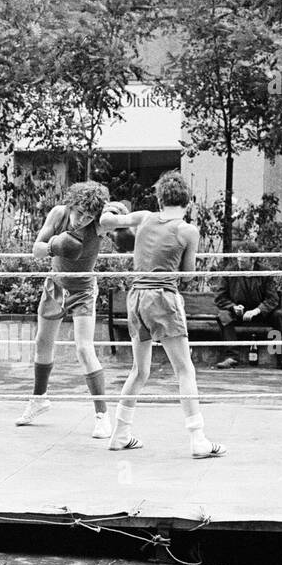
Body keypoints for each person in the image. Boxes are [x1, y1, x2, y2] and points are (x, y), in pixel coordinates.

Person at [99, 171, 225, 459]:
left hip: (136, 297)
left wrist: (115, 209)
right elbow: (189, 273)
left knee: (140, 370)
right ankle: (198, 439)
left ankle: (120, 434)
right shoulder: (187, 230)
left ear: (159, 198)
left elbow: (106, 223)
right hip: (162, 298)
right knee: (185, 369)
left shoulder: (144, 217)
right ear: (188, 202)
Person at [15, 180, 114, 439]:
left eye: (88, 216)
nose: (82, 220)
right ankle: (39, 399)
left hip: (83, 290)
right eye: (79, 212)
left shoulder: (99, 224)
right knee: (42, 342)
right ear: (72, 203)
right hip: (56, 284)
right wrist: (55, 246)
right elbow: (36, 250)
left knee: (83, 347)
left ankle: (102, 415)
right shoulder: (59, 213)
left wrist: (119, 213)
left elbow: (123, 222)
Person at [212, 240, 282, 370]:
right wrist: (233, 307)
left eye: (244, 256)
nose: (240, 259)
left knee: (279, 316)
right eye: (238, 255)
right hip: (238, 314)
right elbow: (220, 297)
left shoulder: (265, 272)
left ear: (253, 259)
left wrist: (257, 310)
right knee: (223, 315)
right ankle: (231, 357)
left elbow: (273, 299)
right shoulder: (229, 272)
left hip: (261, 313)